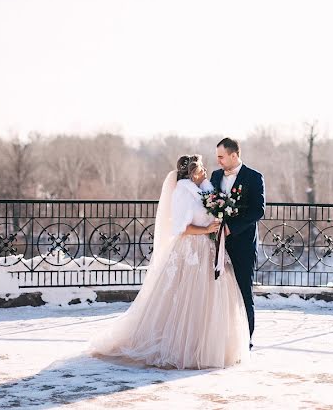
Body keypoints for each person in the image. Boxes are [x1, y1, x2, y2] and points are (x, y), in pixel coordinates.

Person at [90, 154, 249, 369]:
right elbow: (181, 229)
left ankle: (209, 347)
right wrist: (206, 229)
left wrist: (219, 219)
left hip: (209, 249)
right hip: (191, 250)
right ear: (193, 173)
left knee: (210, 298)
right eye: (201, 168)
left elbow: (211, 212)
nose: (205, 171)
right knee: (186, 299)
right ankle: (185, 348)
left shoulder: (207, 189)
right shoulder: (183, 192)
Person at [210, 137, 265, 349]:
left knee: (243, 292)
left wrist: (232, 227)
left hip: (243, 244)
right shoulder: (215, 176)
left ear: (234, 155)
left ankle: (246, 341)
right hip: (217, 244)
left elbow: (258, 210)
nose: (218, 161)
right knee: (217, 292)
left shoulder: (253, 177)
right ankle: (221, 339)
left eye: (221, 157)